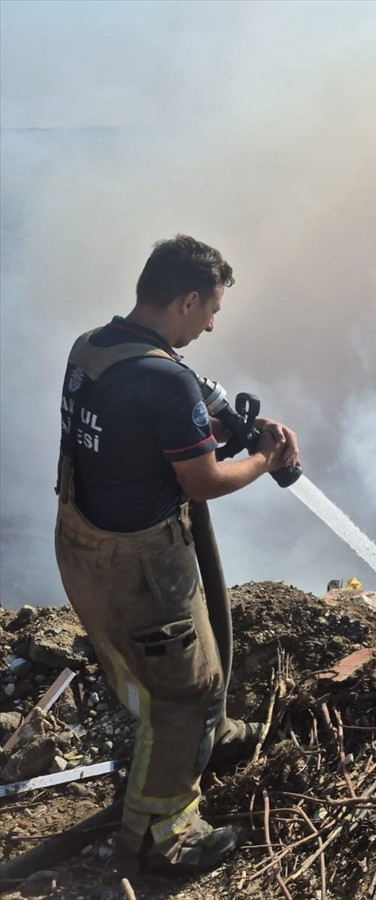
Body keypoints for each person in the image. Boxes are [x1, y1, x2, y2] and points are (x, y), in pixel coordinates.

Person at [54, 235, 300, 875]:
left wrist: (223, 421)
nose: (213, 323)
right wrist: (264, 457)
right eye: (212, 309)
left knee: (192, 670)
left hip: (87, 543)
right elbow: (205, 481)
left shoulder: (96, 347)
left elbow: (163, 418)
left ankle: (209, 741)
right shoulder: (165, 379)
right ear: (188, 299)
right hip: (141, 567)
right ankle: (160, 835)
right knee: (182, 695)